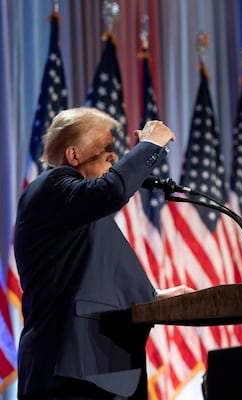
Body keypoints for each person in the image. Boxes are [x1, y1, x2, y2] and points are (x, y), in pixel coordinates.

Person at [13, 107, 192, 399]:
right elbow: (111, 191)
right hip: (67, 374)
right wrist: (151, 144)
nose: (114, 158)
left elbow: (90, 281)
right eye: (106, 150)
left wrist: (154, 299)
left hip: (99, 372)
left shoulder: (76, 214)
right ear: (73, 156)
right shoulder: (51, 187)